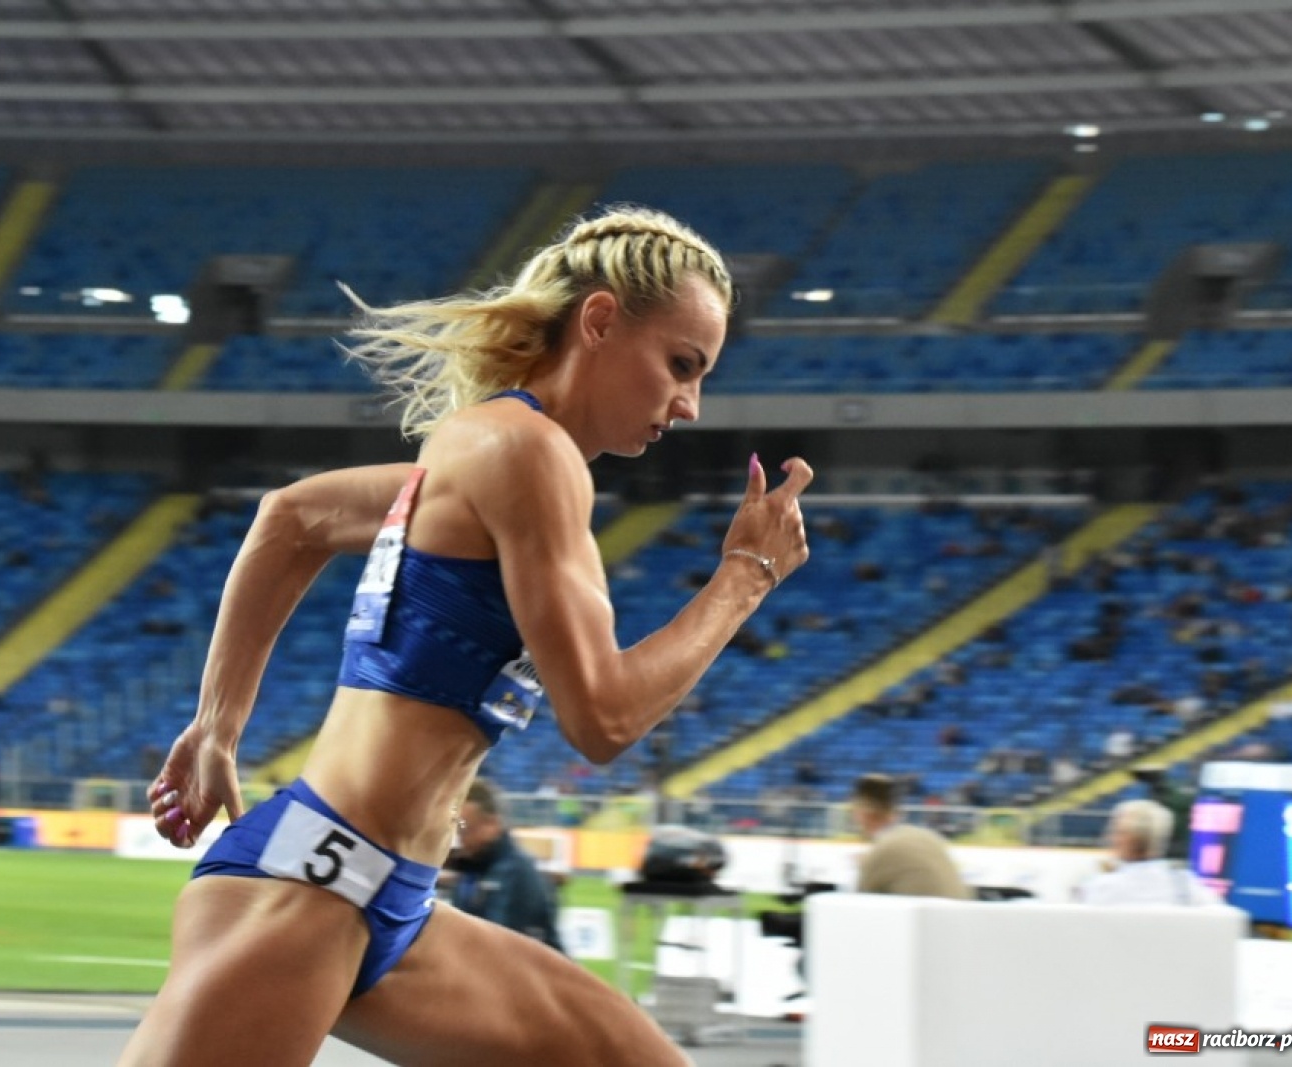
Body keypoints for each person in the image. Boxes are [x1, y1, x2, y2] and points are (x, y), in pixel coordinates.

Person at [119, 204, 814, 1067]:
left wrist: (219, 724)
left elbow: (290, 518)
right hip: (311, 890)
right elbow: (602, 718)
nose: (691, 405)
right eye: (681, 365)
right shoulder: (526, 452)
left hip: (389, 902)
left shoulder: (486, 455)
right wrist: (745, 574)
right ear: (599, 321)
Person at [447, 778, 564, 952]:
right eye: (458, 832)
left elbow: (497, 946)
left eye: (467, 831)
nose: (462, 841)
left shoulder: (515, 872)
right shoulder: (475, 868)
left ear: (492, 824)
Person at [1076, 799, 1225, 908]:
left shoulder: (1101, 887)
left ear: (1125, 839)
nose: (1110, 838)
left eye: (1115, 833)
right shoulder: (1187, 886)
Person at [850, 773, 972, 900]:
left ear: (862, 814)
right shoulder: (928, 837)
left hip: (926, 918)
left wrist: (870, 862)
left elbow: (860, 907)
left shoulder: (883, 850)